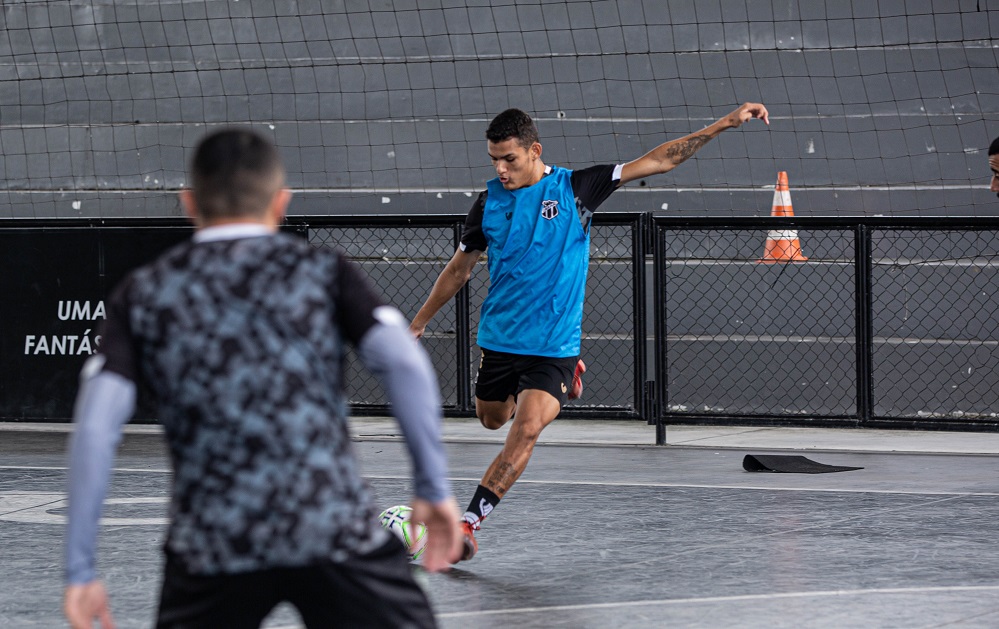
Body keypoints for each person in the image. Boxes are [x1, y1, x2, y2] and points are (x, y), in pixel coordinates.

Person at [63, 128, 462, 629]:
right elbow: (404, 363)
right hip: (329, 526)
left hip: (213, 545)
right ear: (281, 202)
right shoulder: (322, 270)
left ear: (189, 204)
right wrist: (432, 486)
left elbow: (97, 427)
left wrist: (80, 569)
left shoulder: (145, 292)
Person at [409, 103, 769, 561]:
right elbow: (459, 270)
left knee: (526, 430)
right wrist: (418, 322)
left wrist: (724, 124)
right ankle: (542, 389)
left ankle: (469, 524)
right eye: (494, 160)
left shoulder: (577, 188)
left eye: (510, 159)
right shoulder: (487, 204)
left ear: (534, 150)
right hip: (500, 339)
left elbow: (660, 160)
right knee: (491, 419)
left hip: (554, 345)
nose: (501, 169)